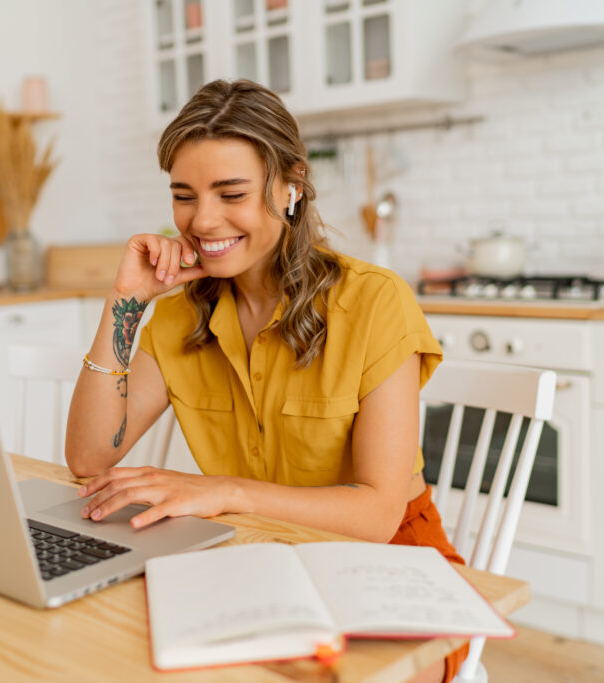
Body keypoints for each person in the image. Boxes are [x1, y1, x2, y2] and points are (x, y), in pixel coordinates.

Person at [65, 79, 466, 682]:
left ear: (290, 186)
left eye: (231, 193)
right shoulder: (176, 314)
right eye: (184, 195)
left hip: (389, 563)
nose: (202, 220)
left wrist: (225, 492)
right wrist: (124, 302)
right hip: (255, 555)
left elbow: (379, 513)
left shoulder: (375, 301)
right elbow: (90, 457)